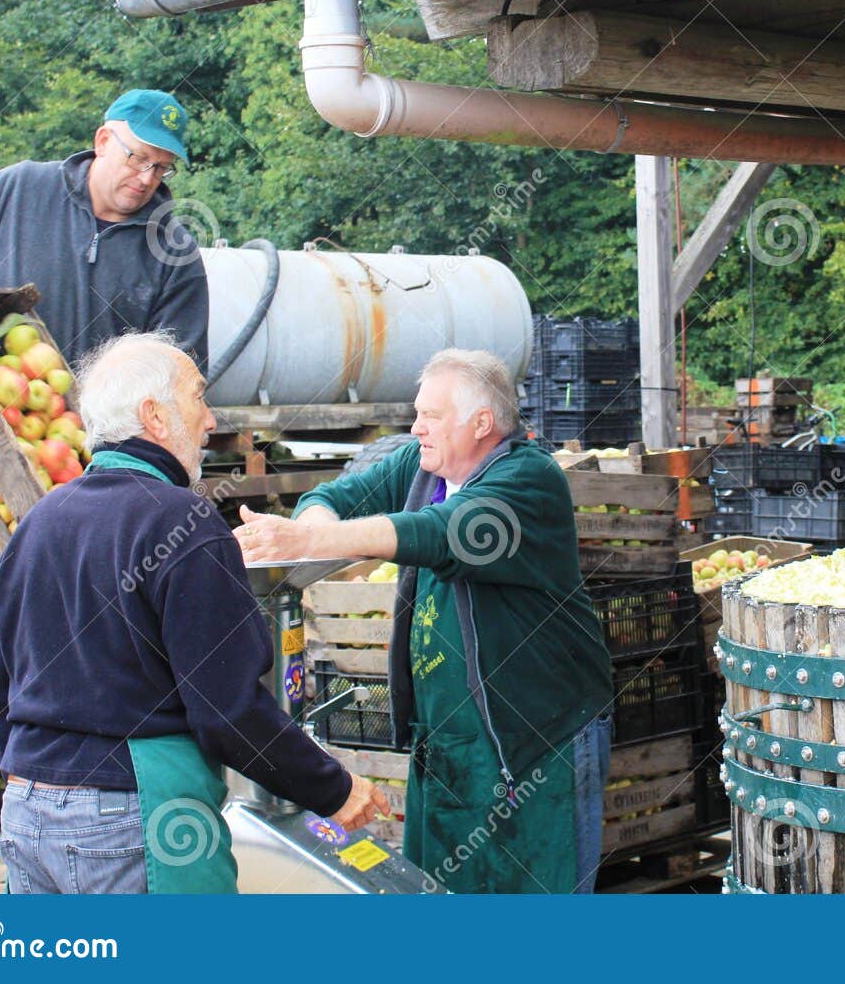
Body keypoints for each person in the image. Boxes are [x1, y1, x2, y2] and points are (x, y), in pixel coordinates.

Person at [0, 89, 211, 892]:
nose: (146, 177)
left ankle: (56, 836)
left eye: (162, 167)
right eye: (136, 157)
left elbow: (177, 377)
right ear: (103, 140)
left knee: (101, 649)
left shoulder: (174, 248)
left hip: (102, 483)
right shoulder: (19, 191)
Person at [0, 333, 387, 894]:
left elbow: (1, 684)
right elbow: (228, 710)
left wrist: (41, 781)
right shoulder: (182, 522)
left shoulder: (37, 523)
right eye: (198, 398)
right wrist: (334, 790)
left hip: (26, 811)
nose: (210, 419)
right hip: (132, 819)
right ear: (154, 416)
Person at [233, 349, 614, 894]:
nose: (416, 428)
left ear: (482, 423)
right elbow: (330, 495)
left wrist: (309, 540)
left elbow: (438, 533)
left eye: (430, 416)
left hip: (532, 745)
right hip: (448, 748)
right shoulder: (421, 465)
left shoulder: (529, 482)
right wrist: (310, 528)